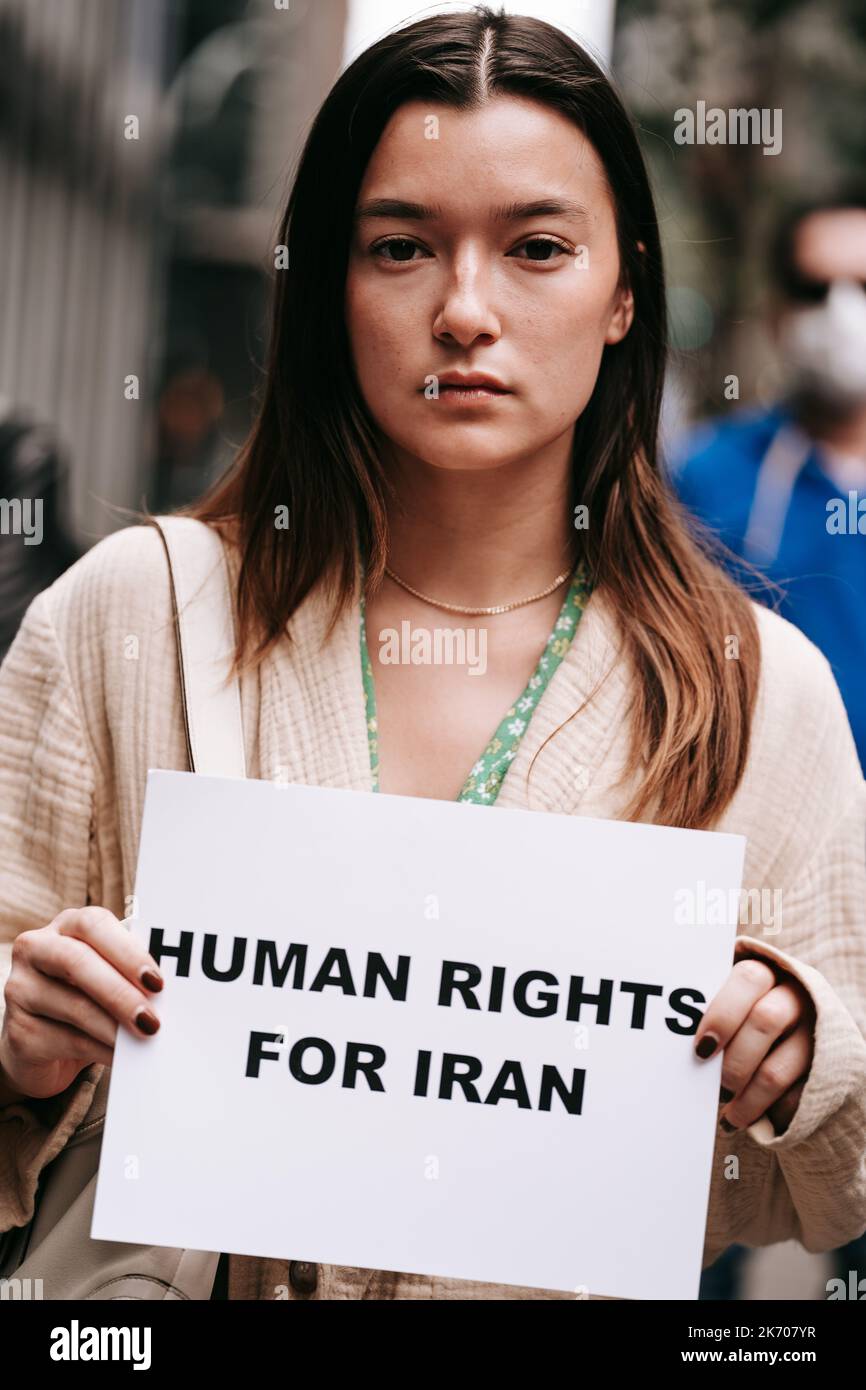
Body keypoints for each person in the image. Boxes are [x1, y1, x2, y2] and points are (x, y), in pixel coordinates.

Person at [1, 5, 865, 1302]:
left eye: (535, 248)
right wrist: (17, 1033)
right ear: (327, 284)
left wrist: (804, 1052)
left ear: (624, 288)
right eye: (400, 247)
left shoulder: (752, 694)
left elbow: (839, 1166)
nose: (465, 311)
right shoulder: (131, 612)